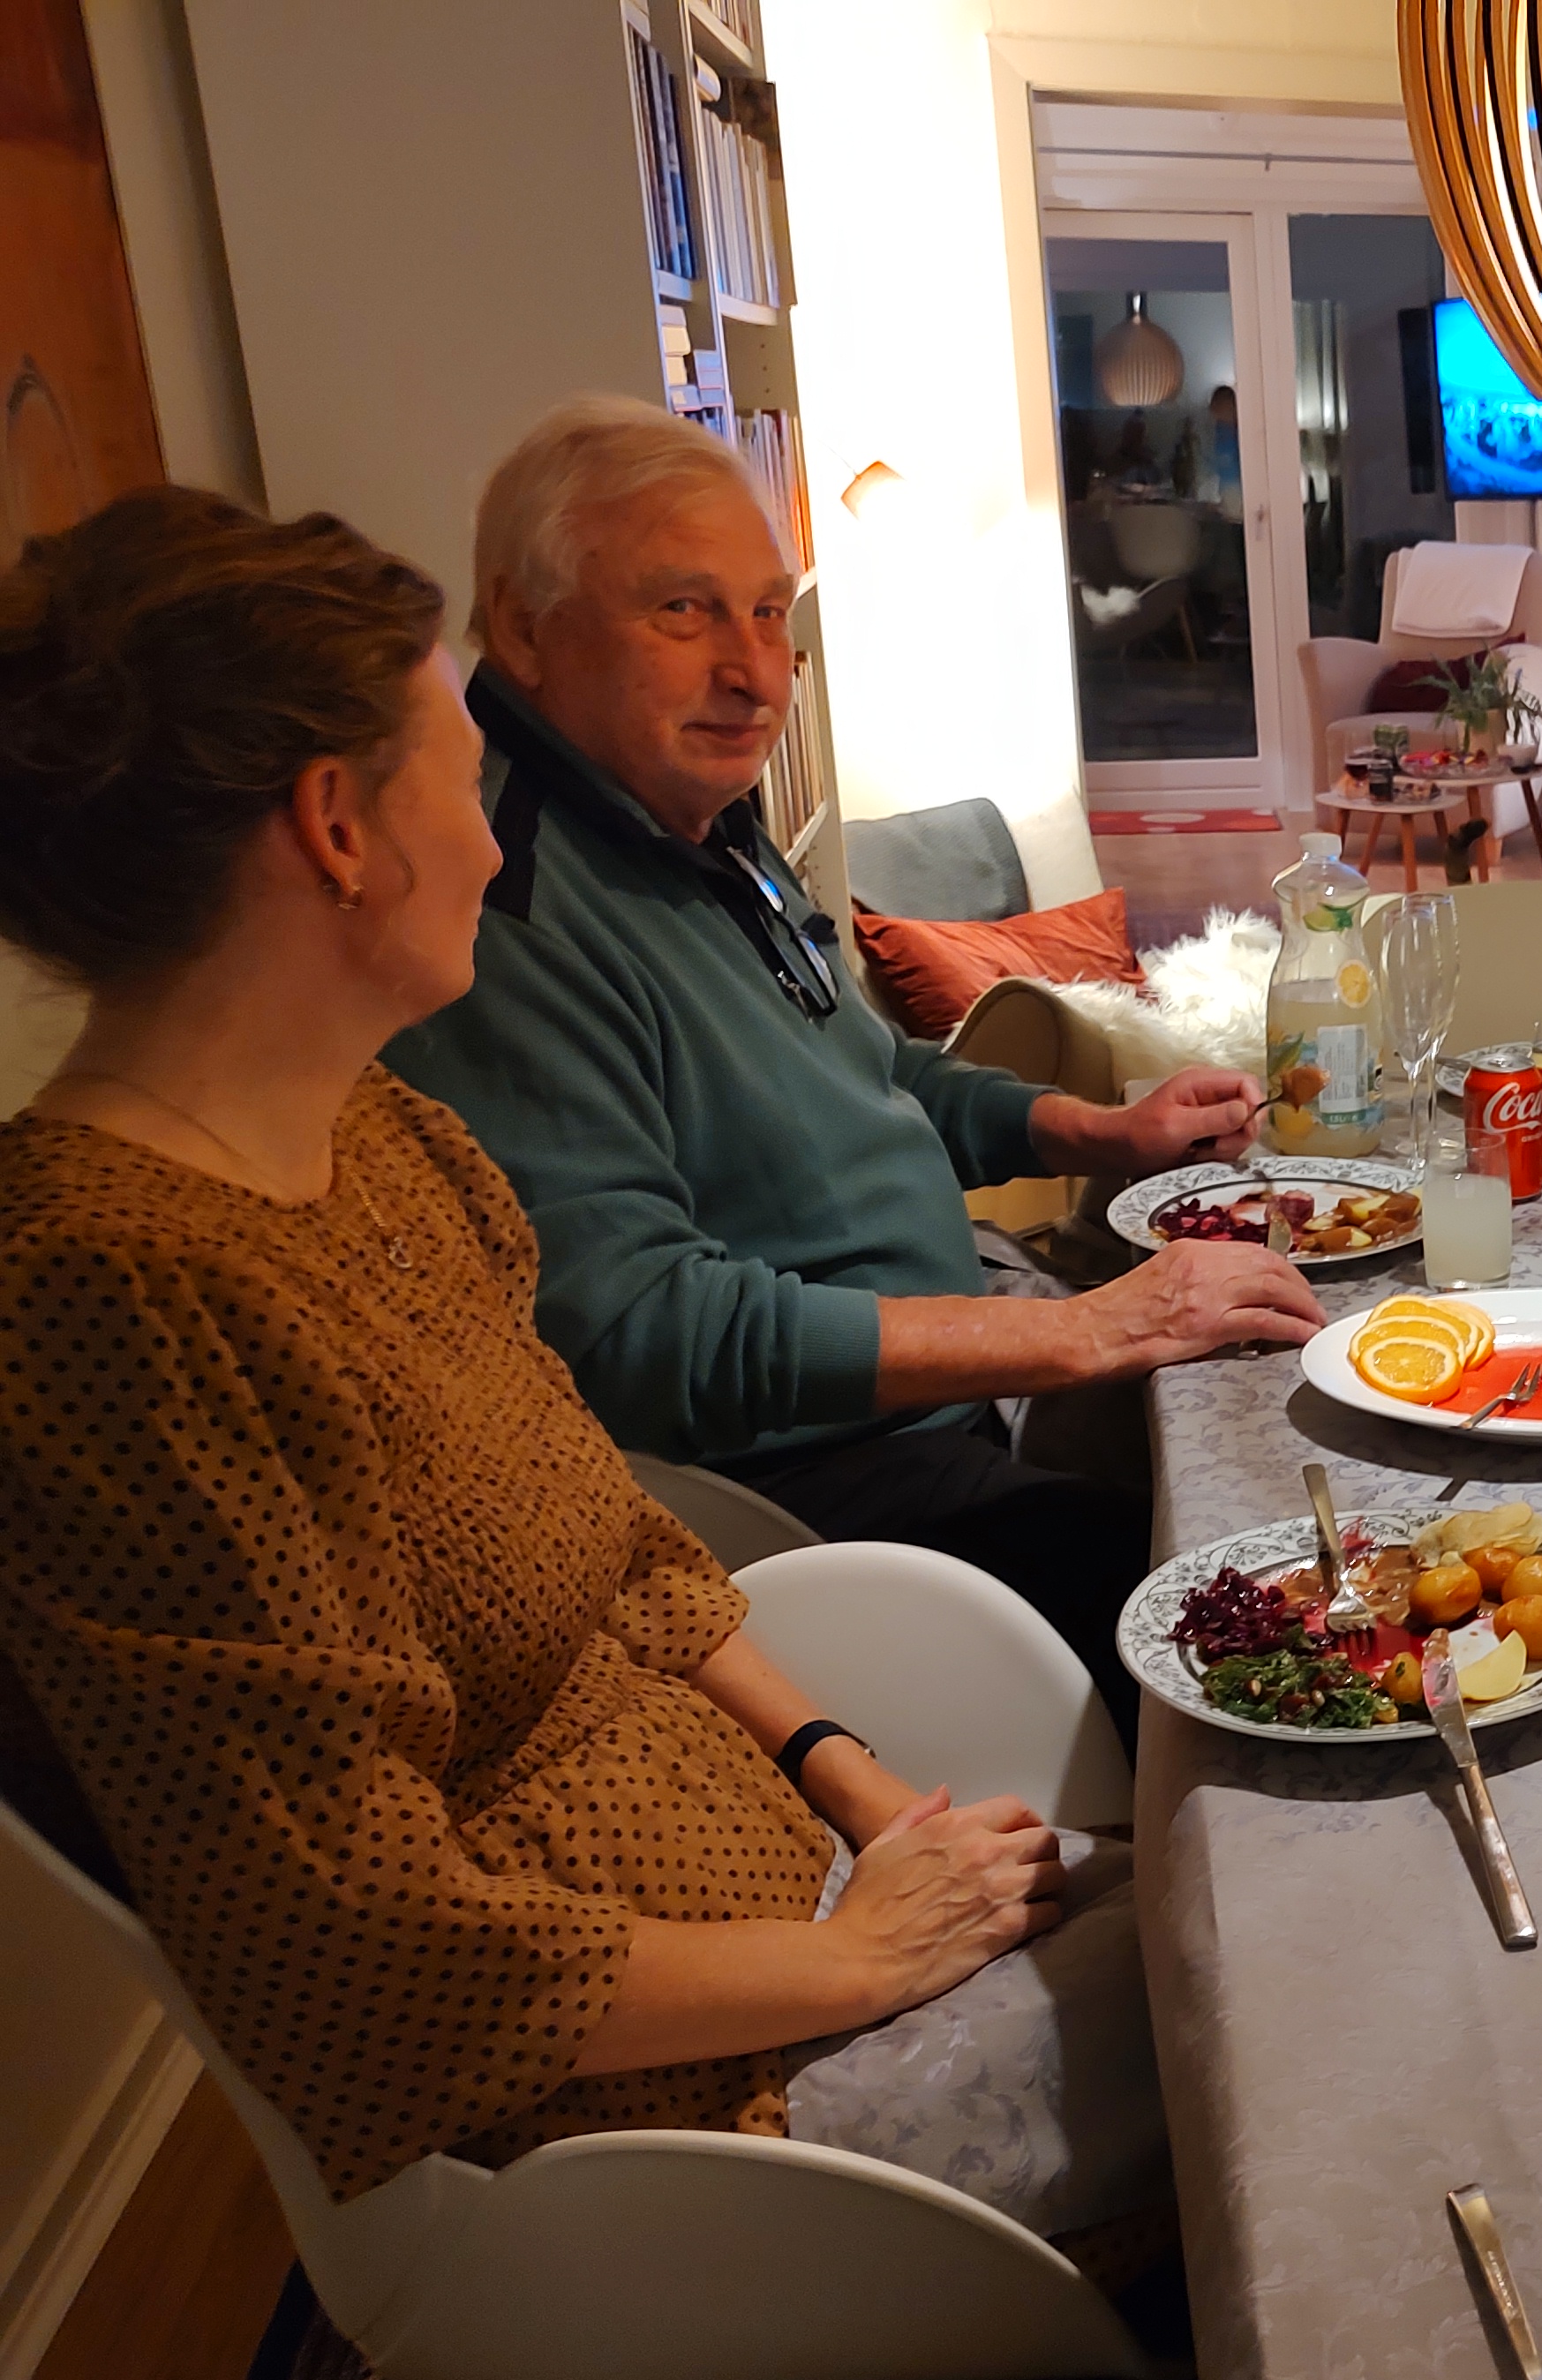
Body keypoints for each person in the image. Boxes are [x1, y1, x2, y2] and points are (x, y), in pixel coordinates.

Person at [0, 488, 1162, 2235]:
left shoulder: (384, 1137)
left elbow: (621, 1548)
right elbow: (356, 1951)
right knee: (1313, 1975)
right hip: (649, 2117)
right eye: (460, 781)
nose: (493, 847)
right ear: (335, 827)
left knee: (1280, 1870)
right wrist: (852, 1962)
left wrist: (857, 1793)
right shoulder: (109, 1298)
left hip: (791, 1901)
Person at [380, 398, 1320, 1726]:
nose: (756, 674)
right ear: (525, 629)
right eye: (684, 611)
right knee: (1277, 1633)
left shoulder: (697, 819)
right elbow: (642, 1333)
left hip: (956, 1392)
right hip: (820, 1507)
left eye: (769, 614)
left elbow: (879, 1075)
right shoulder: (508, 908)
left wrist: (1102, 1130)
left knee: (1279, 1434)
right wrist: (1081, 1329)